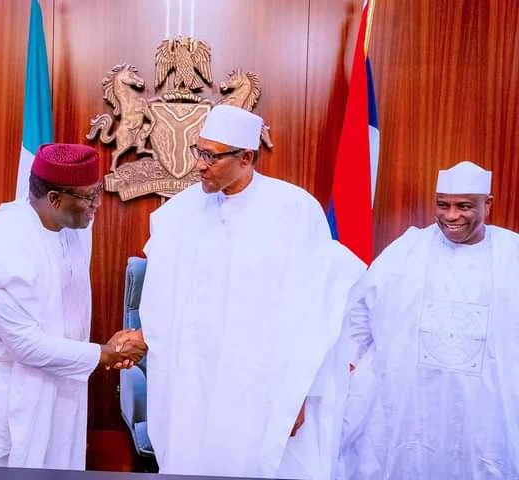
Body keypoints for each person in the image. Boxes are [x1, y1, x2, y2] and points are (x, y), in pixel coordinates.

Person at [135, 105, 365, 479]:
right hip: (193, 381)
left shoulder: (293, 211)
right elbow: (162, 302)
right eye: (198, 150)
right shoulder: (179, 215)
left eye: (212, 155)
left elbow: (321, 312)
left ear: (246, 158)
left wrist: (301, 392)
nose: (200, 165)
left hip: (262, 384)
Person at [0, 143, 147, 469]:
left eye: (97, 192)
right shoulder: (3, 245)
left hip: (48, 380)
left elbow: (67, 314)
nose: (97, 205)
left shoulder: (69, 228)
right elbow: (26, 345)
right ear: (55, 199)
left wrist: (114, 345)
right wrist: (105, 353)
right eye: (89, 197)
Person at [339, 161, 519, 479]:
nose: (451, 216)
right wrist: (350, 362)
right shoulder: (408, 248)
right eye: (442, 205)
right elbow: (360, 309)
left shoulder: (511, 254)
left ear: (487, 204)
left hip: (485, 405)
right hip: (409, 400)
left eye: (464, 206)